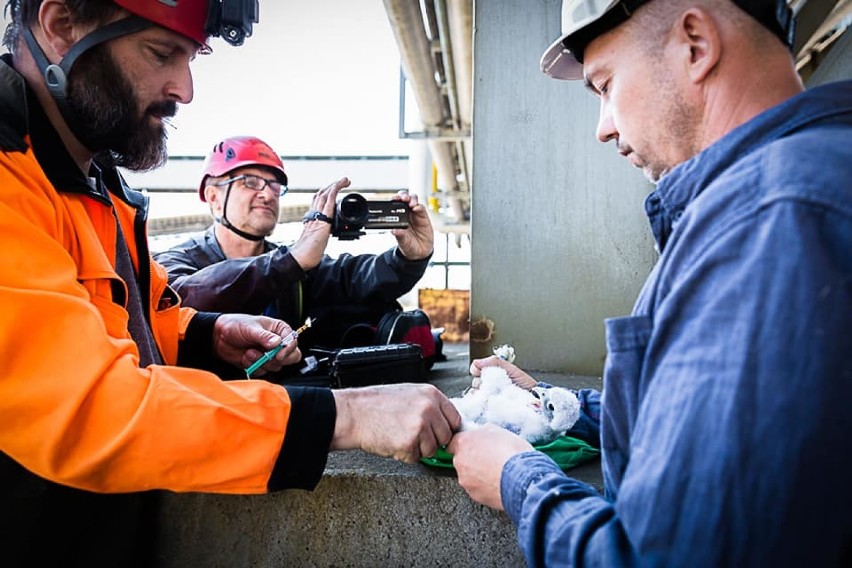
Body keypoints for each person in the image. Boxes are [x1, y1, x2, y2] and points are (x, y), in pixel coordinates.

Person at [0, 1, 460, 564]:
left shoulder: (93, 186)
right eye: (162, 52)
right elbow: (90, 406)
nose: (185, 88)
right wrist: (347, 415)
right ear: (61, 25)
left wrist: (204, 335)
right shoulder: (11, 180)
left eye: (191, 57)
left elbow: (143, 319)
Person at [448, 0, 852, 565]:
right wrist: (554, 404)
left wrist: (517, 478)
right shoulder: (803, 190)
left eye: (606, 85)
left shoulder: (772, 225)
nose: (603, 128)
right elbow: (706, 417)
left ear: (694, 43)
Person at [153, 135, 435, 381]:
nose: (267, 193)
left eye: (275, 187)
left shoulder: (295, 268)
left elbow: (354, 278)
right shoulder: (177, 261)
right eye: (250, 182)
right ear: (213, 197)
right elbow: (176, 297)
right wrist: (291, 260)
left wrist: (408, 258)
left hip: (280, 406)